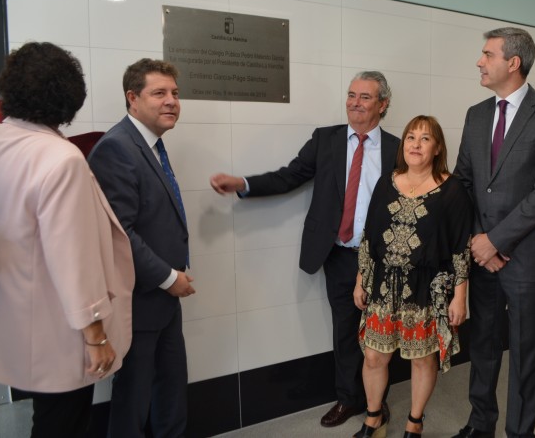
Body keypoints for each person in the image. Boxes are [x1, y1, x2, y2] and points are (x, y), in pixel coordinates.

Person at [210, 71, 400, 428]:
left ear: (383, 104)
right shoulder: (326, 140)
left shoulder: (398, 148)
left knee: (380, 333)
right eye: (351, 94)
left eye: (365, 97)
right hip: (340, 253)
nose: (354, 103)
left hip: (381, 258)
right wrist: (244, 184)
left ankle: (377, 404)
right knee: (345, 330)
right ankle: (348, 399)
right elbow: (289, 175)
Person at [0, 42, 134, 437]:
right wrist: (96, 337)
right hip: (59, 328)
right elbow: (72, 257)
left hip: (12, 318)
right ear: (70, 95)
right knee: (64, 423)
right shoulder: (61, 158)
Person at [452, 27, 535, 438]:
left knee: (524, 351)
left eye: (487, 54)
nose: (479, 61)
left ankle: (521, 432)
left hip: (524, 257)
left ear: (513, 63)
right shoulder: (476, 114)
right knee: (482, 345)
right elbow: (463, 183)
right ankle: (480, 423)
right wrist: (475, 240)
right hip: (481, 253)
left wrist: (496, 240)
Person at [88, 58, 195, 437]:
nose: (171, 102)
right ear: (132, 98)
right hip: (140, 299)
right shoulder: (116, 149)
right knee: (133, 397)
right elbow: (121, 234)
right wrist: (169, 278)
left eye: (175, 94)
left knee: (170, 391)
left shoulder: (151, 146)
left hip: (163, 298)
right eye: (159, 93)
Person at [353, 115, 473, 438]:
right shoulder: (386, 182)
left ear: (437, 148)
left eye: (424, 139)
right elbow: (369, 237)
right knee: (375, 356)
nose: (415, 145)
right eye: (410, 138)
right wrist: (360, 280)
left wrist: (460, 296)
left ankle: (414, 424)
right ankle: (373, 418)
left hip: (426, 291)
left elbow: (461, 247)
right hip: (382, 287)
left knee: (422, 360)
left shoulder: (452, 190)